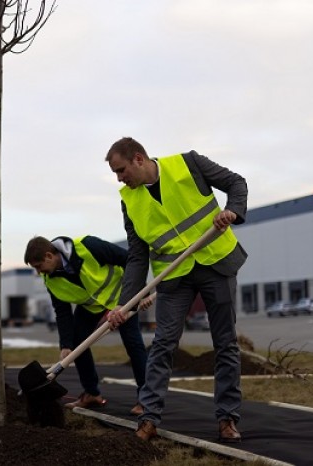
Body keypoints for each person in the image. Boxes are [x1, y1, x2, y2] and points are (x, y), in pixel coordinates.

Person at [104, 137, 247, 443]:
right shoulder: (129, 200)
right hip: (175, 277)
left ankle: (227, 418)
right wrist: (124, 305)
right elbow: (137, 255)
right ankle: (149, 418)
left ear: (139, 159)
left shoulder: (188, 164)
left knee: (225, 344)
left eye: (121, 170)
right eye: (116, 173)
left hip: (215, 263)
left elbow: (236, 183)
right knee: (163, 344)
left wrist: (232, 211)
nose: (119, 178)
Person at [24, 235, 150, 414]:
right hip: (92, 306)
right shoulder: (50, 280)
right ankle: (92, 393)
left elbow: (129, 259)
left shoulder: (88, 246)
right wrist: (66, 345)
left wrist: (141, 291)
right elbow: (62, 312)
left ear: (49, 256)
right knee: (77, 342)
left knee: (133, 343)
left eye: (38, 266)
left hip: (122, 299)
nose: (39, 272)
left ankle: (146, 400)